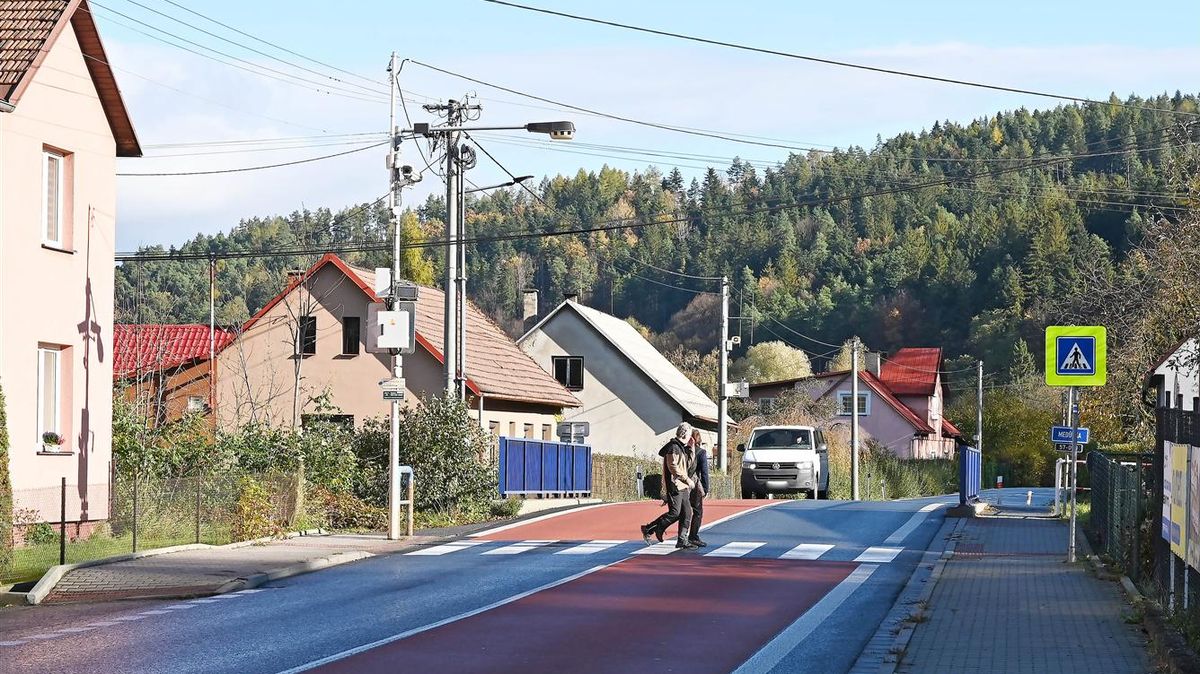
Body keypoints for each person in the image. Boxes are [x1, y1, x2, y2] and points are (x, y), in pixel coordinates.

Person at [640, 422, 695, 549]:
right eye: (690, 434)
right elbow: (673, 467)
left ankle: (682, 540)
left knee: (687, 513)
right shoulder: (673, 447)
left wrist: (691, 448)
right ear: (685, 434)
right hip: (675, 485)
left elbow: (687, 465)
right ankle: (649, 529)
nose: (690, 437)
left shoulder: (681, 447)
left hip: (682, 485)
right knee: (675, 513)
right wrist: (687, 480)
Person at [687, 429, 709, 547]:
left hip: (681, 483)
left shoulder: (683, 450)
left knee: (679, 512)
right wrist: (705, 489)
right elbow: (704, 473)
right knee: (697, 511)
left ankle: (681, 537)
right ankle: (693, 536)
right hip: (694, 485)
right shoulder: (701, 452)